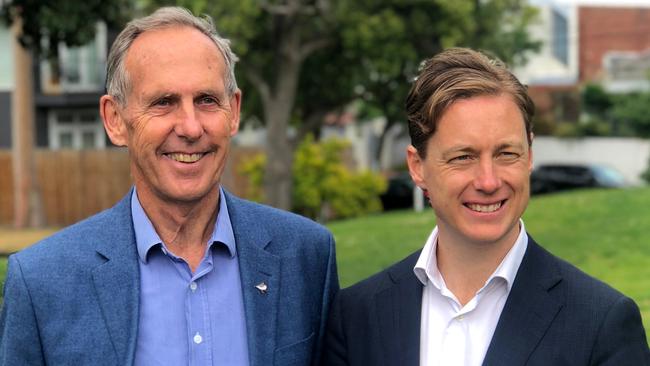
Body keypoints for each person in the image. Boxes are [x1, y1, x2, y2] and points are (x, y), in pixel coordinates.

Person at [0, 7, 338, 366]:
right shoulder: (41, 283)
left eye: (207, 100)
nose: (190, 128)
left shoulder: (306, 257)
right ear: (115, 121)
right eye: (164, 102)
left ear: (234, 111)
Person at [322, 48, 649, 366]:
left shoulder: (600, 323)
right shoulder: (357, 317)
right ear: (417, 167)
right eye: (463, 157)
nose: (489, 181)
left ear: (530, 156)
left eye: (507, 153)